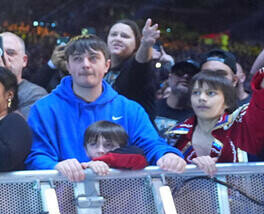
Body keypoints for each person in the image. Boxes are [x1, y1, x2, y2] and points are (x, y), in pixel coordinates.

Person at [25, 36, 186, 182]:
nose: (86, 64)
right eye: (78, 59)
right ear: (68, 66)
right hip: (64, 194)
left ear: (106, 65)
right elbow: (36, 154)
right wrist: (54, 166)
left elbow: (151, 144)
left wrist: (167, 155)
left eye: (93, 58)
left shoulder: (129, 109)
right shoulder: (44, 109)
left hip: (121, 197)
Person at [164, 69, 264, 174]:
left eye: (211, 93)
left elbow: (260, 103)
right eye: (196, 93)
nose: (201, 98)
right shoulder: (175, 134)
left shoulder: (242, 128)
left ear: (227, 101)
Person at [0, 31, 47, 116]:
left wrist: (3, 78)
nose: (3, 57)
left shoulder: (35, 93)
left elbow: (16, 123)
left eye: (10, 53)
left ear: (24, 61)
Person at [105, 18, 160, 120]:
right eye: (113, 34)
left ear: (136, 44)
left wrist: (145, 44)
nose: (118, 38)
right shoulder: (102, 68)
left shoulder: (136, 69)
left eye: (124, 36)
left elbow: (140, 65)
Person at [81, 121, 147, 175]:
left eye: (108, 145)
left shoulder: (129, 165)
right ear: (85, 149)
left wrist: (101, 160)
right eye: (93, 144)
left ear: (121, 148)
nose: (100, 150)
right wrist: (88, 165)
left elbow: (139, 158)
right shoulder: (84, 168)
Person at [154, 59, 198, 135]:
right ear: (169, 77)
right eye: (180, 72)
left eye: (191, 74)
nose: (186, 76)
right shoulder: (152, 108)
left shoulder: (199, 116)